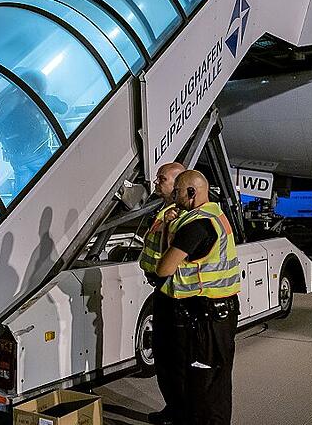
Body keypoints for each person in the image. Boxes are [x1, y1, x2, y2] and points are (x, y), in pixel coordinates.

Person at [156, 170, 241, 425]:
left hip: (207, 318)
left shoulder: (195, 225)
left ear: (191, 193)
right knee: (216, 383)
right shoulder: (215, 215)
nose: (175, 195)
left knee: (203, 387)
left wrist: (168, 230)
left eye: (178, 191)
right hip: (221, 313)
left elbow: (164, 268)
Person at [137, 162, 185, 425]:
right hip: (162, 290)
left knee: (176, 360)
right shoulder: (165, 210)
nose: (156, 182)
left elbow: (173, 253)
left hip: (175, 293)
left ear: (178, 183)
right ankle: (172, 409)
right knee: (164, 357)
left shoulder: (178, 215)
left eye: (162, 178)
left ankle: (180, 413)